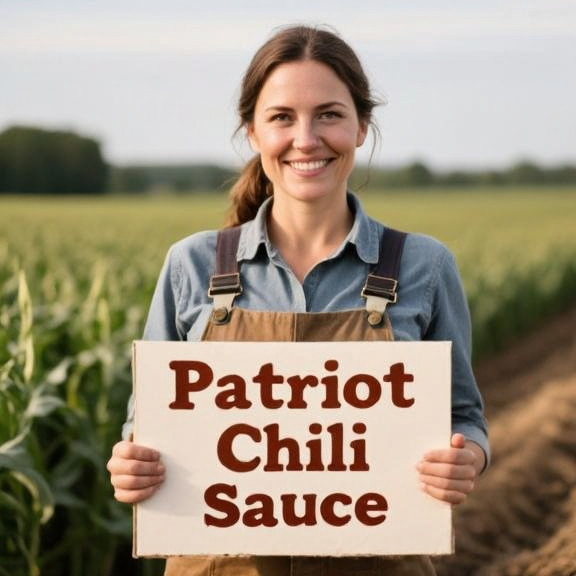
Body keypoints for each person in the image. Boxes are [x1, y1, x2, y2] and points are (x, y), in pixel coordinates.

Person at [107, 24, 489, 576]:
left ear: (361, 127)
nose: (306, 139)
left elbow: (464, 416)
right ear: (253, 132)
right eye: (282, 117)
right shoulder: (190, 266)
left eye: (329, 114)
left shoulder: (424, 267)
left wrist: (466, 457)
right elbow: (144, 429)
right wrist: (131, 465)